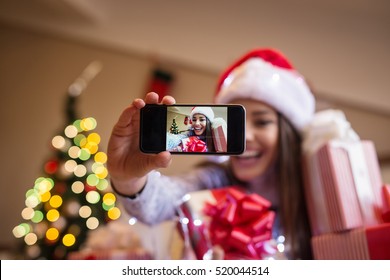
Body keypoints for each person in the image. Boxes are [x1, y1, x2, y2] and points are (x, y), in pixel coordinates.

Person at [107, 48, 315, 259]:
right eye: (238, 123)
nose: (246, 136)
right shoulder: (212, 181)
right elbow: (162, 202)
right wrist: (129, 179)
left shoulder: (312, 197)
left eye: (262, 122)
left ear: (288, 134)